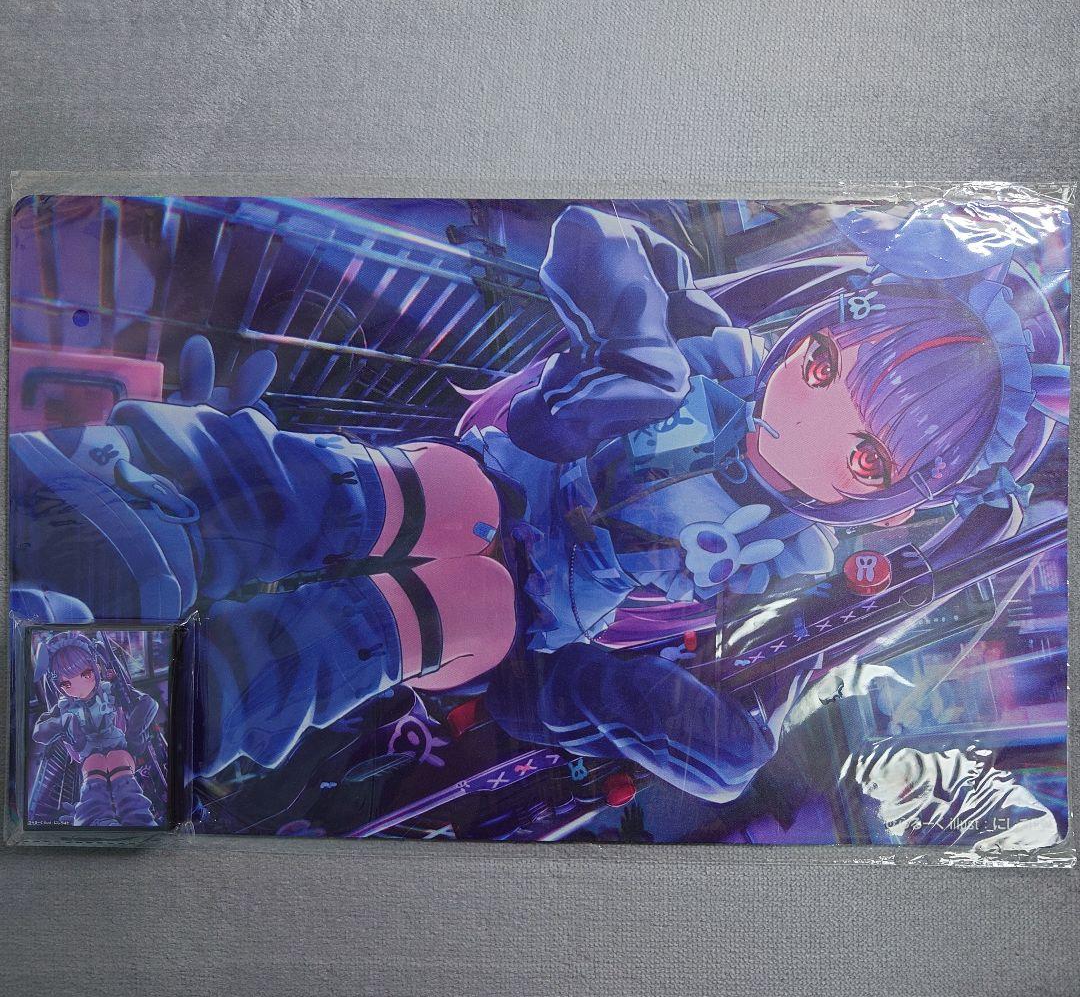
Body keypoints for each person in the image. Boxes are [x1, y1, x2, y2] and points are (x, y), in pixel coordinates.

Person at [9, 196, 1068, 802]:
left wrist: (599, 697)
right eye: (827, 365)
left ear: (896, 500)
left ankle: (117, 728)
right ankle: (116, 511)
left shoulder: (794, 566)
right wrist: (630, 358)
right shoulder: (715, 357)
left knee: (449, 608)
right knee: (434, 500)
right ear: (818, 328)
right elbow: (598, 239)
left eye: (869, 457)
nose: (811, 418)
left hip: (527, 622)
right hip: (500, 476)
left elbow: (723, 731)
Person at [31, 632, 158, 826]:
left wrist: (134, 734)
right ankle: (96, 822)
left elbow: (148, 703)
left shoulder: (111, 691)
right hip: (88, 755)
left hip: (119, 747)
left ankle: (137, 821)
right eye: (66, 683)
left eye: (86, 675)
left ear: (96, 668)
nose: (79, 687)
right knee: (94, 768)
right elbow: (39, 732)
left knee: (118, 765)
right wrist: (64, 722)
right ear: (58, 685)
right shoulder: (63, 707)